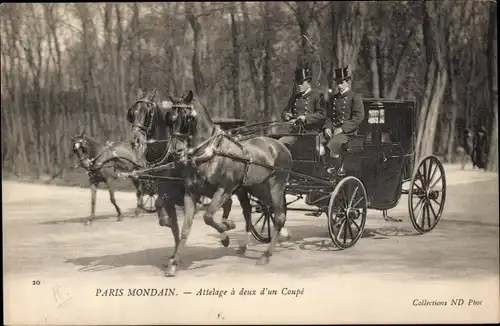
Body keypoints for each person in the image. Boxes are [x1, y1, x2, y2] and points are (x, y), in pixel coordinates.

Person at [321, 66, 365, 173]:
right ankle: (323, 169)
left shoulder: (355, 97)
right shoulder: (334, 98)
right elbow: (329, 117)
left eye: (341, 82)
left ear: (348, 82)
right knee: (316, 142)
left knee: (334, 144)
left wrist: (342, 129)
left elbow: (359, 117)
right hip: (333, 131)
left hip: (348, 134)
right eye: (337, 83)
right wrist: (327, 127)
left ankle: (336, 171)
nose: (339, 85)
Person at [279, 64, 327, 153]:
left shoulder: (317, 95)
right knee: (280, 144)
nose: (299, 85)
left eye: (301, 83)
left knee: (317, 152)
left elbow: (322, 114)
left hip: (311, 133)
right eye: (297, 83)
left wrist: (305, 118)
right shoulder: (295, 97)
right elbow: (285, 111)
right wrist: (286, 115)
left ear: (308, 82)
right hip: (295, 132)